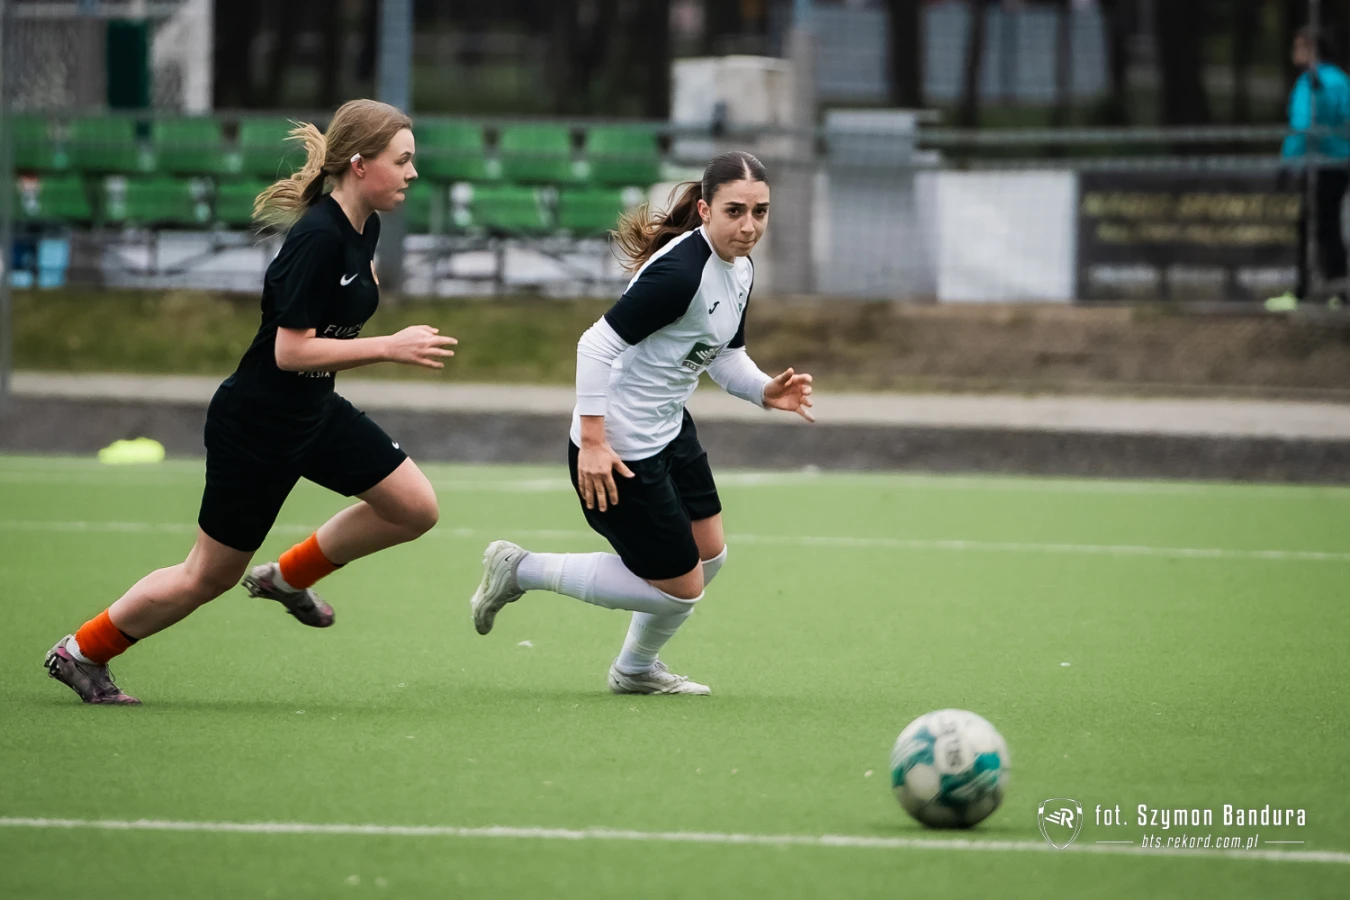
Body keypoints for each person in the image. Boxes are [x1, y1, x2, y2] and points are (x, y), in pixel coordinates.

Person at [44, 99, 457, 704]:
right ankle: (81, 652)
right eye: (403, 160)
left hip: (313, 412)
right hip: (258, 426)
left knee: (414, 507)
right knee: (206, 576)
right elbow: (290, 352)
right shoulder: (316, 237)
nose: (412, 173)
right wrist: (388, 347)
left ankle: (288, 578)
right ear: (360, 164)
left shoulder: (364, 226)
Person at [467, 150, 814, 695]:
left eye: (760, 211)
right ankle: (521, 569)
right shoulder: (680, 273)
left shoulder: (739, 267)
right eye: (735, 211)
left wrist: (764, 391)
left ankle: (634, 670)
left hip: (670, 429)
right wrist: (593, 442)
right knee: (680, 589)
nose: (749, 226)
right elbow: (594, 344)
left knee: (710, 556)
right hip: (621, 447)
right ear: (706, 210)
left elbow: (723, 354)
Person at [1266, 27, 1350, 312]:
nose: (1294, 52)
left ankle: (1304, 291)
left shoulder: (1310, 83)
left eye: (1298, 46)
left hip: (1318, 165)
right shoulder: (1341, 80)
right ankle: (1338, 291)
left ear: (1311, 48)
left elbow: (1301, 126)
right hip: (1340, 164)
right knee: (1328, 227)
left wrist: (1287, 163)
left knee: (1310, 228)